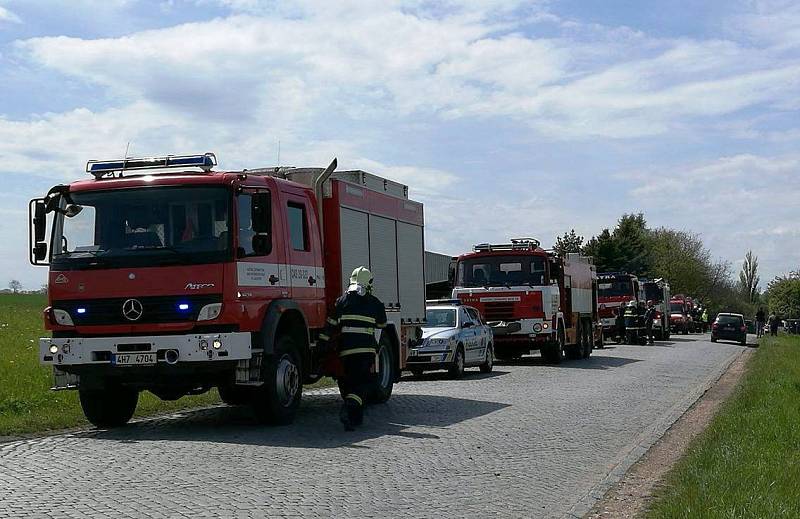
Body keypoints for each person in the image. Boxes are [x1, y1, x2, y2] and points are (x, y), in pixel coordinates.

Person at [319, 266, 387, 432]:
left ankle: (354, 420)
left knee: (350, 383)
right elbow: (382, 324)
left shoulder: (341, 301)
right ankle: (349, 410)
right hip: (366, 352)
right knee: (363, 384)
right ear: (368, 284)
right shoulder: (375, 303)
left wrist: (321, 346)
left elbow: (330, 326)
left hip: (346, 352)